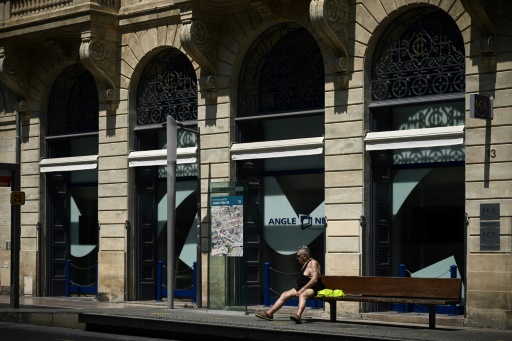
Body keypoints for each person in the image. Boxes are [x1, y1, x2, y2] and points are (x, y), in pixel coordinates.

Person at [255, 245, 325, 324]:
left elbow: (314, 280)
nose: (297, 258)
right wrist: (301, 289)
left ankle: (298, 316)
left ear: (305, 256)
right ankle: (269, 314)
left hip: (314, 288)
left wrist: (302, 289)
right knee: (285, 294)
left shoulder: (313, 263)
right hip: (302, 287)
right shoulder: (305, 264)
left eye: (299, 256)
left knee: (303, 295)